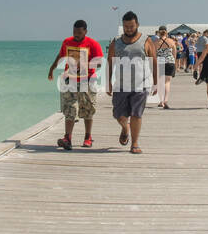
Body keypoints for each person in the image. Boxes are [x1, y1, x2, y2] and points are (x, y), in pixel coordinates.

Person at [48, 19, 103, 149]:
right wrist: (52, 68)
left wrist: (84, 64)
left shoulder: (93, 44)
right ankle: (67, 138)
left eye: (79, 32)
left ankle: (88, 137)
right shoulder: (67, 42)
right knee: (70, 109)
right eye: (74, 32)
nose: (76, 35)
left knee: (87, 110)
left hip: (87, 81)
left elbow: (99, 63)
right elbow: (60, 55)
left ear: (85, 31)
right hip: (70, 81)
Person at [106, 11, 156, 153]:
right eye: (126, 26)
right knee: (119, 115)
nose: (129, 29)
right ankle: (124, 127)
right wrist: (108, 82)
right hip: (120, 85)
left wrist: (156, 82)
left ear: (137, 25)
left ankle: (134, 143)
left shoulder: (146, 41)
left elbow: (154, 61)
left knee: (136, 114)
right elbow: (110, 63)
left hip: (141, 85)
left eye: (131, 26)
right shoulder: (116, 42)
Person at [152, 25, 178, 109]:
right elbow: (174, 53)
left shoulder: (156, 43)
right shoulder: (171, 41)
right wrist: (174, 62)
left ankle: (161, 102)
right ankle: (166, 100)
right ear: (166, 32)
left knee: (160, 83)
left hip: (160, 62)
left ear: (159, 32)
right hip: (170, 62)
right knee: (167, 82)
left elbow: (154, 55)